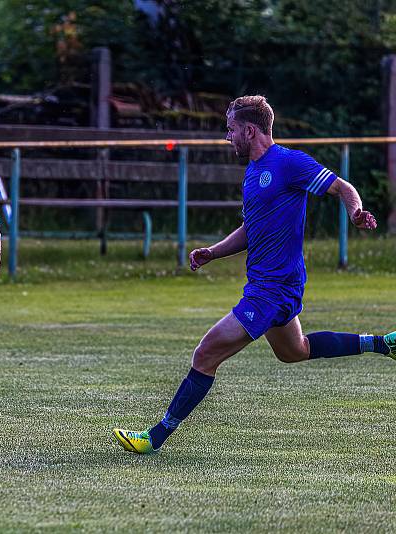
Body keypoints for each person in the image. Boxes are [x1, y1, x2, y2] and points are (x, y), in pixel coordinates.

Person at [112, 95, 396, 454]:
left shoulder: (289, 162)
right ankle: (382, 343)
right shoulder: (251, 173)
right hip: (271, 285)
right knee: (295, 350)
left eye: (231, 129)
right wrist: (214, 252)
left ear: (250, 130)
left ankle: (154, 437)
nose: (227, 136)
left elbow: (342, 187)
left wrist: (356, 212)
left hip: (272, 289)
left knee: (205, 354)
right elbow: (252, 228)